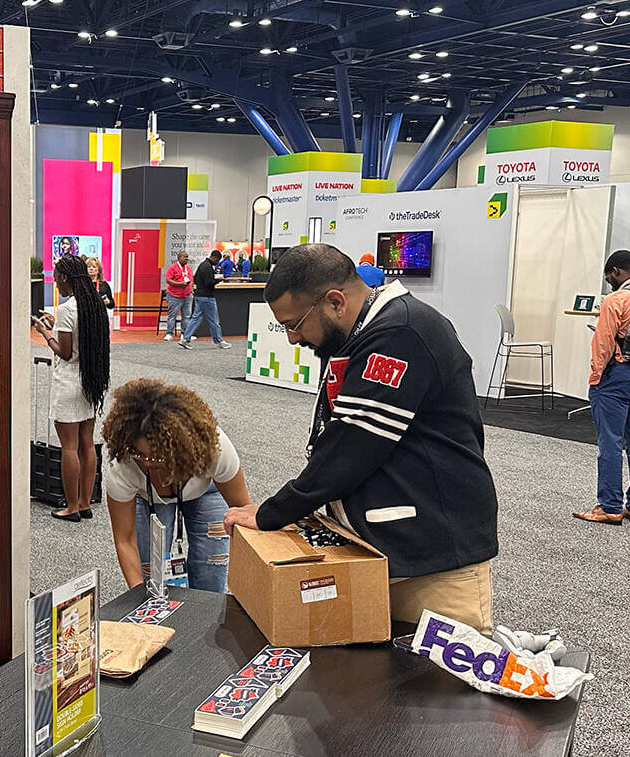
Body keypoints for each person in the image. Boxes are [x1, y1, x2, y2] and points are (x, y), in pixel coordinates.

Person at [223, 244, 499, 630]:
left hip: (431, 565)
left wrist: (274, 512)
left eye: (295, 323)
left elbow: (351, 446)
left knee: (433, 670)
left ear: (335, 302)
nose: (292, 338)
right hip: (384, 553)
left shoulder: (401, 332)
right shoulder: (368, 334)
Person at [101, 379, 254, 593]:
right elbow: (125, 541)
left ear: (181, 448)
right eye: (140, 454)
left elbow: (244, 512)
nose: (148, 463)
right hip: (147, 497)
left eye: (157, 457)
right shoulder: (123, 463)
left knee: (211, 571)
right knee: (151, 574)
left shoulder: (214, 448)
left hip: (207, 491)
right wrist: (141, 598)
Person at [575, 250, 630, 526]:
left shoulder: (616, 300)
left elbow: (602, 343)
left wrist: (596, 378)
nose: (609, 283)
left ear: (616, 272)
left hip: (617, 376)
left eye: (609, 278)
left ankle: (610, 506)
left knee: (610, 441)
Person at [32, 254, 112, 522]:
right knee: (87, 444)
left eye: (56, 278)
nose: (55, 283)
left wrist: (46, 333)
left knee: (68, 447)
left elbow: (65, 352)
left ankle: (71, 507)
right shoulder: (94, 304)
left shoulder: (67, 308)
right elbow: (81, 340)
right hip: (90, 382)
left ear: (65, 277)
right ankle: (84, 503)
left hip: (68, 383)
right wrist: (56, 325)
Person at [180, 249, 231, 350]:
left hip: (199, 296)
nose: (217, 262)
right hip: (207, 297)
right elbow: (209, 282)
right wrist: (218, 280)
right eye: (217, 260)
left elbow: (197, 279)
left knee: (195, 318)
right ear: (214, 257)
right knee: (214, 320)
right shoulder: (208, 267)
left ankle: (185, 338)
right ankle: (219, 340)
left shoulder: (202, 265)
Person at [164, 251, 194, 342]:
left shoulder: (188, 268)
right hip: (174, 296)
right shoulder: (172, 268)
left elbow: (191, 280)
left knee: (186, 316)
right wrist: (180, 284)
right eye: (185, 257)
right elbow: (168, 280)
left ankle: (184, 334)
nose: (187, 259)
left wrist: (191, 289)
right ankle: (169, 333)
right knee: (172, 316)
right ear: (179, 258)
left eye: (187, 257)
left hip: (187, 296)